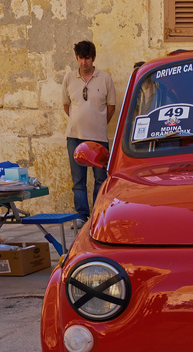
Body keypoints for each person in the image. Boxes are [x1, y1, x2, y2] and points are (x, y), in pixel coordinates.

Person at [62, 40, 116, 227]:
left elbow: (111, 107)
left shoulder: (105, 79)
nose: (84, 62)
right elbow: (66, 106)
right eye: (81, 58)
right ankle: (81, 216)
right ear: (76, 58)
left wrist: (98, 123)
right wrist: (80, 121)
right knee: (78, 180)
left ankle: (98, 215)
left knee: (101, 179)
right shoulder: (69, 78)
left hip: (98, 138)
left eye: (87, 58)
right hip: (74, 136)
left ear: (93, 58)